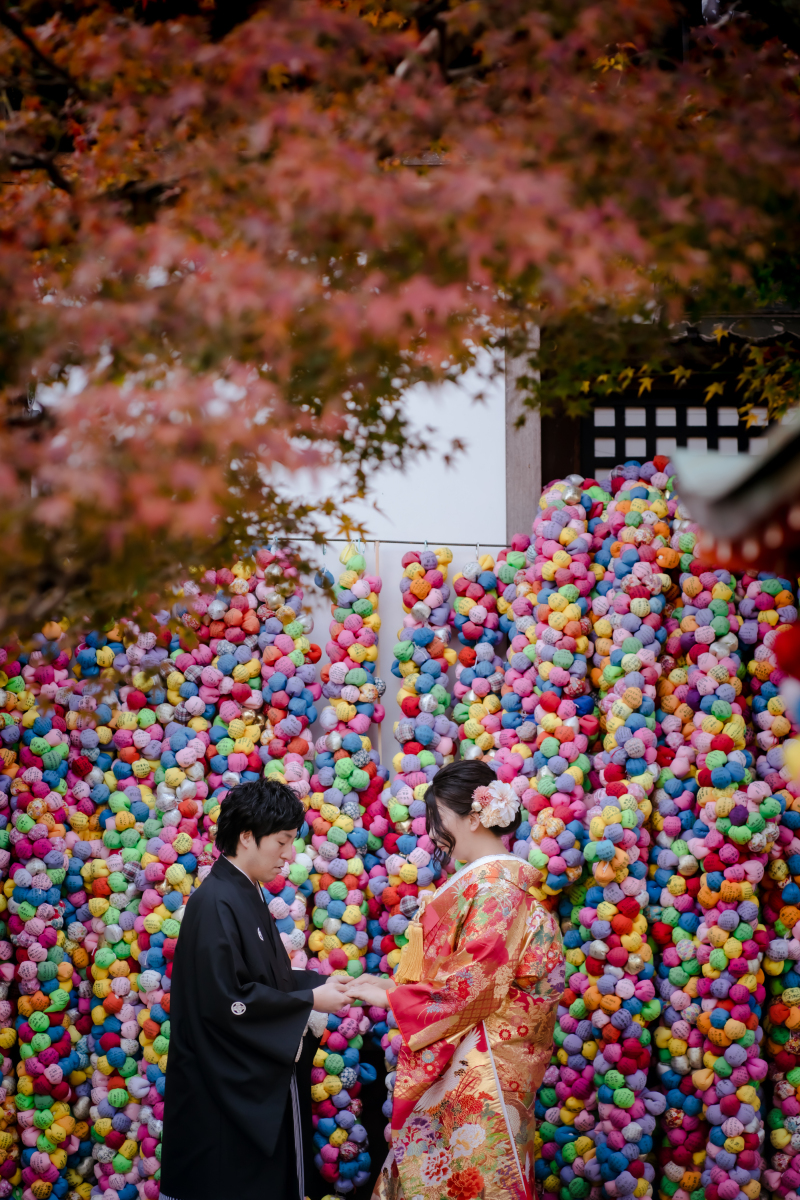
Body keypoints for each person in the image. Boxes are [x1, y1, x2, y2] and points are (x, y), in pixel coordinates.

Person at [348, 759, 565, 1200]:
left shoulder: (497, 889)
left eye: (438, 817)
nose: (433, 832)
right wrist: (397, 989)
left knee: (465, 1178)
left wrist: (394, 998)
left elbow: (474, 983)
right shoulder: (492, 884)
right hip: (479, 1053)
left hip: (480, 1064)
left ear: (473, 817)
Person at [160, 778, 352, 1200]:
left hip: (243, 1083)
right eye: (281, 842)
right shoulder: (216, 900)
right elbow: (226, 1002)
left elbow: (264, 979)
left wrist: (321, 985)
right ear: (247, 836)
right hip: (220, 1093)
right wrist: (308, 1000)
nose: (289, 855)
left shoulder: (243, 891)